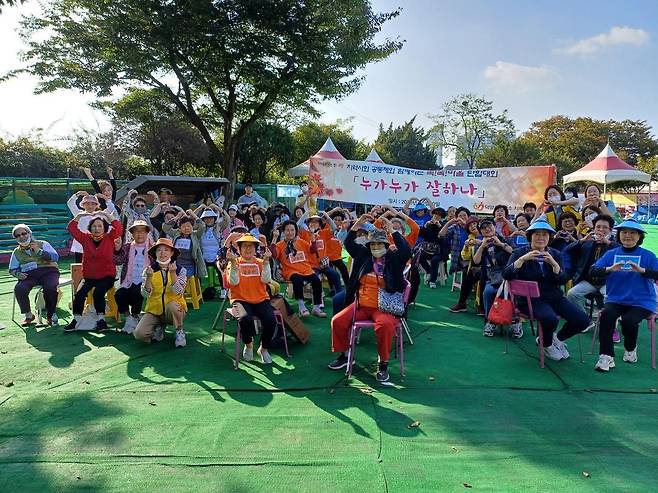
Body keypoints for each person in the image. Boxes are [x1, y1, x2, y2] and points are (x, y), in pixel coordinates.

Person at [328, 218, 411, 383]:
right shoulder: (363, 256)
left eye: (380, 245)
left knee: (385, 326)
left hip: (384, 307)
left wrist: (392, 231)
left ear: (386, 246)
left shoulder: (394, 259)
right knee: (337, 321)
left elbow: (406, 251)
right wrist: (357, 223)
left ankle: (383, 364)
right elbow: (349, 242)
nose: (376, 248)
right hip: (361, 305)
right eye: (373, 245)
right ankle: (345, 355)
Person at [503, 220, 590, 360]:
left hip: (554, 297)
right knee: (550, 319)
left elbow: (562, 280)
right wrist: (522, 260)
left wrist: (554, 265)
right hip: (529, 300)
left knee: (583, 320)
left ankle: (557, 339)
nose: (541, 238)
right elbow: (506, 274)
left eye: (545, 235)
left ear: (550, 237)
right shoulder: (519, 252)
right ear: (530, 236)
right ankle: (546, 344)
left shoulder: (555, 254)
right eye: (537, 234)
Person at [590, 219, 658, 371]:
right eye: (624, 232)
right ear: (619, 235)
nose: (628, 236)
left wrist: (643, 271)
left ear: (639, 236)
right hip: (616, 299)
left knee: (629, 321)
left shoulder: (648, 256)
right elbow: (593, 270)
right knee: (606, 315)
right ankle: (606, 356)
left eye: (633, 233)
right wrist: (609, 269)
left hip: (642, 301)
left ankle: (630, 347)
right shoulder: (611, 254)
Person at [64, 210, 123, 332]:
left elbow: (118, 228)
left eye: (100, 226)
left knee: (98, 293)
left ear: (104, 228)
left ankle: (101, 320)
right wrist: (80, 215)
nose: (97, 228)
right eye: (94, 226)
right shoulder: (85, 238)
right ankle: (77, 319)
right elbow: (71, 228)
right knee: (79, 294)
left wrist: (105, 214)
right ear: (90, 228)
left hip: (107, 276)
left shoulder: (110, 238)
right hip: (89, 277)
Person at [225, 234, 278, 363]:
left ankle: (263, 349)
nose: (248, 249)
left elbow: (266, 280)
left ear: (255, 249)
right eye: (244, 246)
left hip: (260, 299)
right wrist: (233, 263)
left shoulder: (260, 262)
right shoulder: (234, 262)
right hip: (240, 299)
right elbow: (233, 282)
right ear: (239, 249)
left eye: (251, 246)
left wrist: (266, 263)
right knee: (244, 319)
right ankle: (248, 345)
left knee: (271, 320)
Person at [133, 238, 188, 347]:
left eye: (166, 250)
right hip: (154, 310)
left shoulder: (180, 270)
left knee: (173, 307)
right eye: (159, 250)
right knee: (139, 334)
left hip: (173, 310)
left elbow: (179, 292)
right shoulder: (148, 270)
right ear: (155, 253)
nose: (162, 253)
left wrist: (173, 274)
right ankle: (159, 327)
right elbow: (145, 294)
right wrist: (149, 277)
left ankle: (179, 331)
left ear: (172, 253)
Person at [565, 214, 617, 323]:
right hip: (589, 281)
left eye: (604, 227)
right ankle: (585, 320)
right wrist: (582, 240)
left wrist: (607, 242)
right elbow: (567, 250)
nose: (601, 230)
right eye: (598, 227)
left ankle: (611, 326)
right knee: (571, 294)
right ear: (593, 229)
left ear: (610, 230)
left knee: (612, 298)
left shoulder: (614, 244)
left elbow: (621, 252)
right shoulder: (588, 243)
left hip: (607, 282)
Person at [471, 219, 519, 337]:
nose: (487, 229)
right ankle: (490, 321)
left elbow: (515, 253)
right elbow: (476, 261)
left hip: (508, 275)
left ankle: (515, 321)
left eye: (489, 226)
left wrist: (501, 244)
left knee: (512, 293)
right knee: (488, 292)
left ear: (494, 227)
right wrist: (482, 246)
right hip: (492, 277)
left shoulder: (505, 239)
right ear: (481, 231)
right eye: (483, 228)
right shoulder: (481, 244)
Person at [271, 220, 326, 317]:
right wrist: (274, 237)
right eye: (287, 230)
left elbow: (312, 250)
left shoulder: (301, 242)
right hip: (290, 270)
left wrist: (312, 237)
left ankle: (316, 308)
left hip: (305, 269)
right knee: (297, 280)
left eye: (292, 230)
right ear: (283, 232)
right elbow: (273, 254)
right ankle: (302, 307)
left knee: (316, 280)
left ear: (295, 231)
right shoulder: (280, 245)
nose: (290, 232)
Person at [9, 224, 60, 326]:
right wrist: (18, 274)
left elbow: (55, 257)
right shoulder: (16, 252)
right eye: (18, 235)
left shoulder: (43, 243)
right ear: (15, 238)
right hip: (29, 275)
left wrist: (39, 251)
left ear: (30, 233)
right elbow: (12, 269)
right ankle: (28, 315)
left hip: (49, 272)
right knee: (19, 288)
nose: (21, 237)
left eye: (24, 233)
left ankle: (51, 315)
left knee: (50, 287)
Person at [113, 220, 154, 333]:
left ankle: (135, 316)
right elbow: (118, 261)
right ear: (132, 234)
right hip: (129, 280)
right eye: (136, 232)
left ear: (147, 233)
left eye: (142, 231)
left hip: (146, 281)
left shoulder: (152, 247)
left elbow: (157, 264)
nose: (139, 234)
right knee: (119, 294)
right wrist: (117, 249)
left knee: (137, 293)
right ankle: (128, 319)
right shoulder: (126, 247)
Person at [449, 217, 482, 314]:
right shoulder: (470, 238)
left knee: (474, 274)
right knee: (467, 274)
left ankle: (482, 306)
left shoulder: (487, 234)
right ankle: (462, 303)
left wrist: (479, 243)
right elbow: (465, 257)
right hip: (475, 266)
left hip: (489, 266)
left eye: (475, 224)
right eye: (470, 226)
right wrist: (466, 246)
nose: (473, 226)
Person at [162, 213, 208, 281]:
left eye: (188, 226)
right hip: (176, 265)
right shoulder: (176, 233)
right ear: (180, 228)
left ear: (192, 227)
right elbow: (165, 228)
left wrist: (194, 215)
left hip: (190, 266)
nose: (186, 228)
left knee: (188, 284)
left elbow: (203, 226)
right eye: (183, 226)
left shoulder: (195, 235)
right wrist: (176, 217)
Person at [67, 192, 103, 263]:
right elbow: (70, 203)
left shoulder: (101, 215)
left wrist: (105, 198)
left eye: (93, 204)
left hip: (96, 246)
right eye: (87, 203)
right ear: (83, 205)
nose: (90, 206)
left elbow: (112, 209)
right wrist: (78, 194)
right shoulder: (78, 213)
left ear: (96, 205)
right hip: (80, 247)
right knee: (79, 268)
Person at [418, 208, 447, 289]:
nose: (436, 216)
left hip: (440, 251)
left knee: (435, 260)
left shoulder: (444, 224)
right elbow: (422, 236)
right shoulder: (429, 224)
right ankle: (429, 272)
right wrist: (425, 226)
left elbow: (444, 240)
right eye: (435, 214)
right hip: (428, 249)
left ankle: (432, 280)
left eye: (439, 215)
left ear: (442, 217)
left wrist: (439, 226)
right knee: (419, 256)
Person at [438, 206, 471, 275]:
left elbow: (476, 233)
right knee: (459, 271)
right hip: (457, 254)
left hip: (470, 254)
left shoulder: (472, 226)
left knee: (468, 272)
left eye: (464, 215)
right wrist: (449, 223)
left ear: (468, 216)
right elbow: (441, 235)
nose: (462, 217)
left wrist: (465, 224)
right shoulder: (455, 227)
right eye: (460, 216)